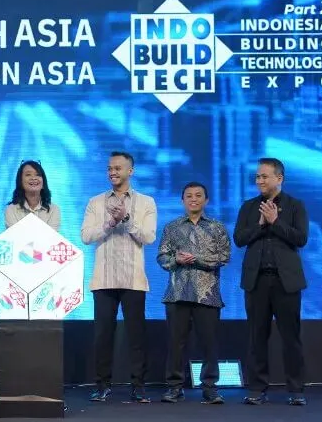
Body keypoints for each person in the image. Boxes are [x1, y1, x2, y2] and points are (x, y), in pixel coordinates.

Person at [80, 151, 157, 403]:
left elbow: (149, 237)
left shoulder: (146, 202)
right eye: (109, 168)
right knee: (103, 336)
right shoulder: (95, 202)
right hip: (103, 279)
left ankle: (138, 386)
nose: (112, 172)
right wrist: (110, 223)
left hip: (134, 279)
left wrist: (126, 218)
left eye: (118, 168)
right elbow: (86, 236)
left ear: (130, 171)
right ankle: (102, 385)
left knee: (136, 336)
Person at [234, 158, 309, 406]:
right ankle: (257, 389)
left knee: (291, 337)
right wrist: (260, 224)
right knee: (257, 337)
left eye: (264, 176)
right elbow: (239, 239)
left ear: (279, 178)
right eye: (257, 177)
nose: (259, 181)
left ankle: (296, 390)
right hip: (256, 281)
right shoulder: (248, 207)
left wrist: (276, 222)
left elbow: (300, 239)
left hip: (285, 282)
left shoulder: (295, 206)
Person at [156, 181, 229, 404]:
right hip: (177, 294)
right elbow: (162, 257)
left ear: (206, 200)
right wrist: (175, 260)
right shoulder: (172, 227)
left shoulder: (217, 227)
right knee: (176, 343)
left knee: (209, 344)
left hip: (207, 294)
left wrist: (197, 259)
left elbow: (224, 257)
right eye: (189, 196)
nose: (193, 199)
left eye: (198, 195)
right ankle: (174, 387)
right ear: (183, 200)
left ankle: (210, 388)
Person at [3, 160, 60, 230]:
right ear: (20, 181)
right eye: (28, 174)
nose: (33, 178)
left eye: (38, 175)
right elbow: (16, 235)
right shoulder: (11, 210)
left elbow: (51, 236)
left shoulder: (54, 210)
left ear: (43, 183)